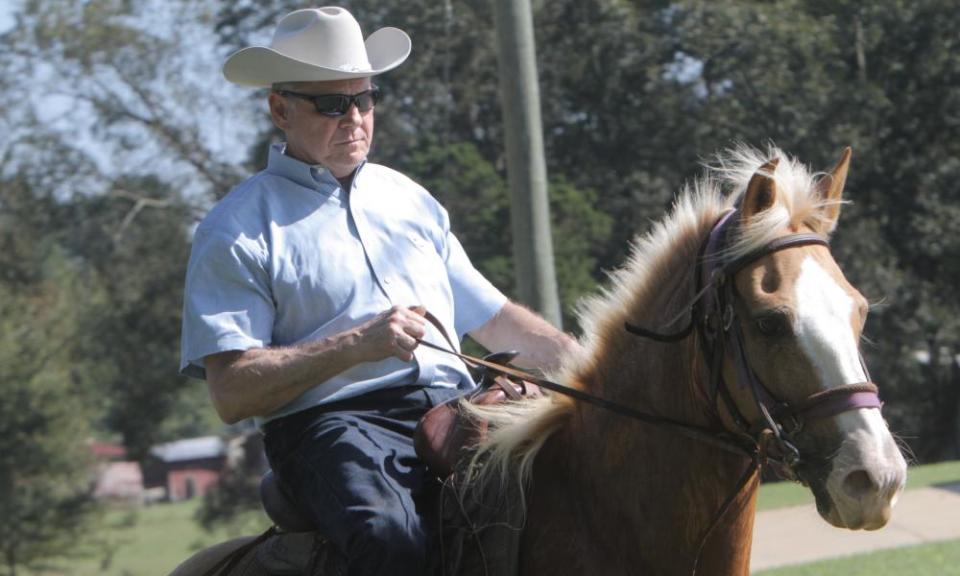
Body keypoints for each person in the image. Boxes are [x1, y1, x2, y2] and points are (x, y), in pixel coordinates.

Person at [179, 7, 578, 576]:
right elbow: (232, 392)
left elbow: (495, 319)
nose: (356, 119)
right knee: (390, 540)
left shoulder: (411, 200)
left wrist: (589, 361)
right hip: (332, 427)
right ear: (279, 109)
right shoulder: (237, 229)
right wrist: (357, 344)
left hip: (459, 409)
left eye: (364, 100)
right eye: (333, 104)